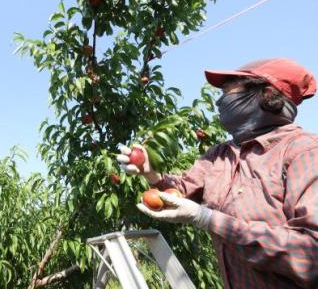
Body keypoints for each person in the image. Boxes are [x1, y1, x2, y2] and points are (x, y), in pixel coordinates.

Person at [116, 58, 317, 288]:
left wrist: (209, 219)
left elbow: (310, 255)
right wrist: (151, 174)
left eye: (227, 93)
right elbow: (180, 192)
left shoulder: (304, 153)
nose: (220, 102)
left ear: (267, 95)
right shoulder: (220, 154)